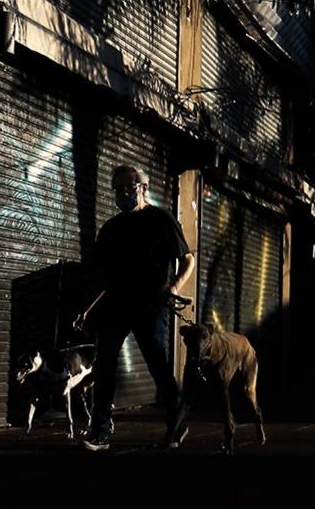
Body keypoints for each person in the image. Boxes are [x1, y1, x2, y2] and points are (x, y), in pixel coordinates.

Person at [75, 165, 196, 451]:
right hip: (115, 305)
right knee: (104, 365)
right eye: (117, 189)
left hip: (150, 306)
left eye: (127, 188)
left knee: (157, 365)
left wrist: (174, 287)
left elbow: (187, 258)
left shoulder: (161, 219)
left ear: (142, 187)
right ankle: (100, 431)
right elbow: (101, 276)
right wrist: (86, 308)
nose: (122, 194)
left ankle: (176, 422)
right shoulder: (111, 228)